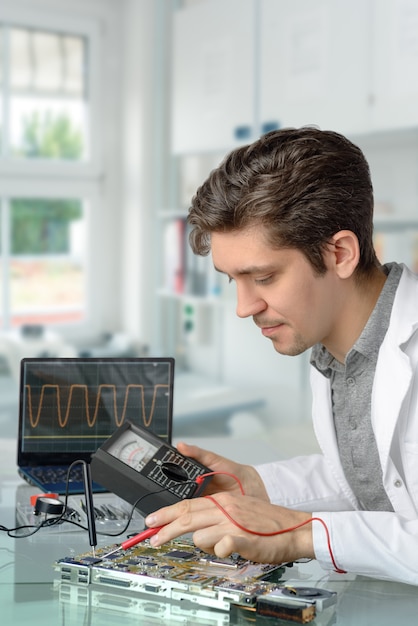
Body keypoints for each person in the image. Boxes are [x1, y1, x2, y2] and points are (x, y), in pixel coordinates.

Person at [144, 127, 418, 585]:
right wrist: (254, 487)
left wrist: (300, 534)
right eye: (233, 279)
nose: (243, 307)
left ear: (341, 254)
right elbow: (379, 487)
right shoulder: (335, 353)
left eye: (264, 277)